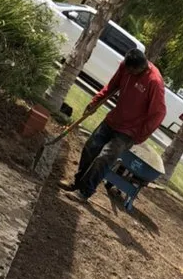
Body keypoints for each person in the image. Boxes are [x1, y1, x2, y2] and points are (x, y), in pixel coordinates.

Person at [62, 48, 166, 198]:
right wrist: (95, 101)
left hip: (128, 132)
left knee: (104, 158)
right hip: (113, 120)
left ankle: (85, 192)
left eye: (133, 72)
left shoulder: (154, 82)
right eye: (127, 70)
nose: (129, 74)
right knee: (90, 148)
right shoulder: (125, 66)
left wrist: (139, 136)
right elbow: (112, 86)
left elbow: (158, 114)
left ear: (141, 67)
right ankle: (77, 183)